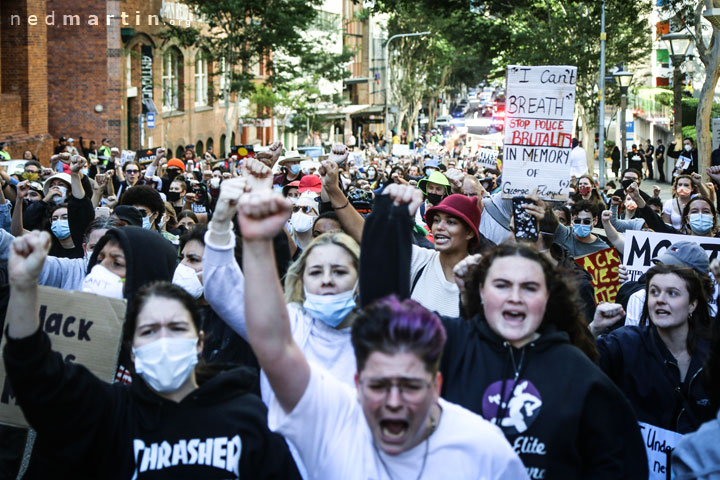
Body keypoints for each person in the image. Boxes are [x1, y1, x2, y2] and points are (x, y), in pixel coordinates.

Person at [236, 190, 527, 479]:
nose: (394, 402)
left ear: (436, 384)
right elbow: (273, 344)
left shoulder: (483, 449)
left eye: (411, 385)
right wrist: (257, 243)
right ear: (357, 384)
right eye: (378, 386)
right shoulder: (334, 419)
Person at [359, 199, 649, 479]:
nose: (514, 297)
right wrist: (390, 221)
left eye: (529, 287)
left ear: (548, 297)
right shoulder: (451, 342)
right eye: (502, 285)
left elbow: (619, 464)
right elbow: (383, 317)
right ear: (481, 291)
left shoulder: (580, 374)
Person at [2, 231, 300, 479]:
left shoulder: (245, 415)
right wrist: (24, 288)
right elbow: (34, 370)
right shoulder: (112, 411)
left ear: (199, 342)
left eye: (176, 327)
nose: (163, 340)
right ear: (133, 347)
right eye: (148, 331)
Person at [590, 264, 714, 434]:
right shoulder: (624, 343)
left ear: (692, 304)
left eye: (672, 293)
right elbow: (573, 369)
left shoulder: (712, 352)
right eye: (654, 292)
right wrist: (593, 330)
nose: (660, 299)